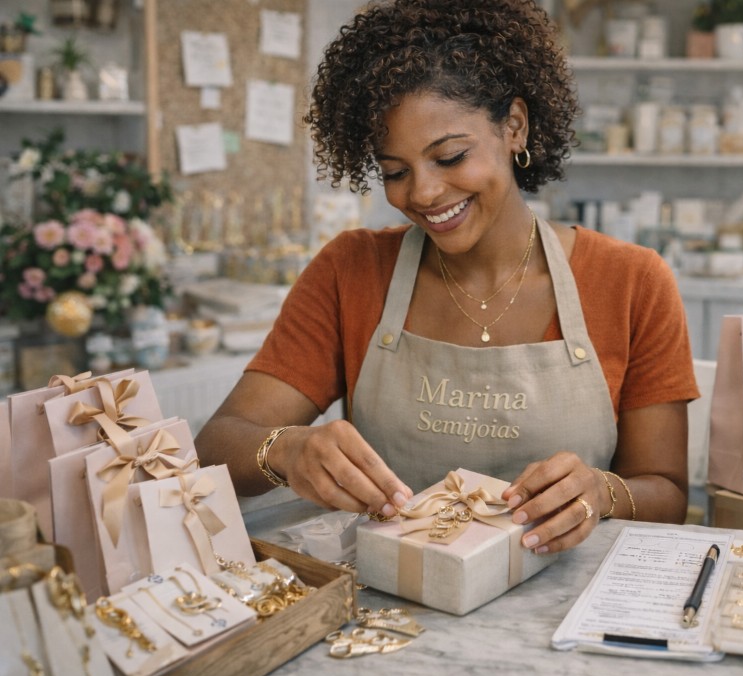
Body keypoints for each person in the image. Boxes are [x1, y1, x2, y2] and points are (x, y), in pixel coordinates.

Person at [195, 0, 698, 554]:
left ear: (514, 126)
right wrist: (288, 451)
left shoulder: (631, 281)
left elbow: (667, 494)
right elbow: (215, 447)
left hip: (562, 605)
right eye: (395, 171)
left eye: (451, 157)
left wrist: (600, 492)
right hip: (393, 613)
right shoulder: (351, 271)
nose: (423, 194)